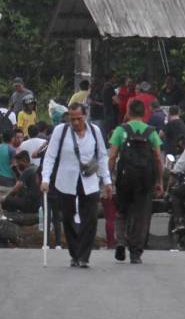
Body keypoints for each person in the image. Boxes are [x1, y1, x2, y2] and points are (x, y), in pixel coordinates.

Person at [40, 103, 111, 268]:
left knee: (91, 218)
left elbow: (102, 156)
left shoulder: (95, 131)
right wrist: (45, 179)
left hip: (90, 181)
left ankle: (84, 256)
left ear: (85, 116)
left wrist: (107, 180)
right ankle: (74, 253)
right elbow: (50, 156)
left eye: (79, 119)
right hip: (66, 181)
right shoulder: (61, 131)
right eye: (72, 120)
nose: (76, 123)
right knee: (68, 217)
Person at [108, 99, 163, 262]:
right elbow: (158, 159)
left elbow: (112, 157)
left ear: (128, 112)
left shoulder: (120, 130)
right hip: (145, 179)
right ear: (145, 113)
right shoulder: (151, 131)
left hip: (125, 178)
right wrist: (160, 181)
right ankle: (135, 252)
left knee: (122, 212)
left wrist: (107, 180)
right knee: (141, 214)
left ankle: (120, 241)